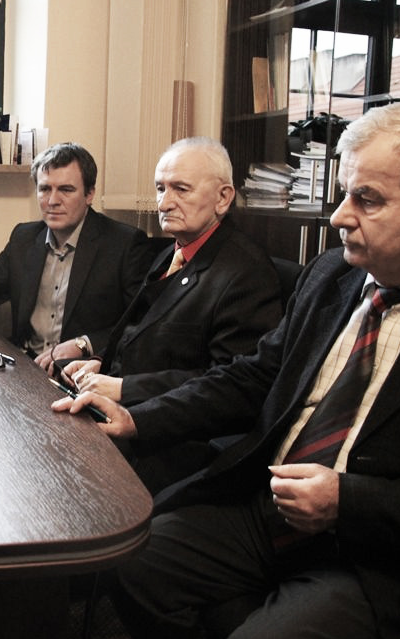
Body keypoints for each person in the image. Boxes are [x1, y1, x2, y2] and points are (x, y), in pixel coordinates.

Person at [54, 98, 400, 639]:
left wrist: (350, 501)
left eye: (367, 199)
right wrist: (139, 418)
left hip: (373, 550)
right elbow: (253, 377)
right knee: (133, 560)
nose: (338, 217)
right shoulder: (333, 275)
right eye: (343, 194)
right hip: (266, 505)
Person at [59, 137, 283, 493]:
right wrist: (100, 362)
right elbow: (142, 330)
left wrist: (124, 388)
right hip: (128, 410)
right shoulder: (173, 252)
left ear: (223, 198)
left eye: (181, 189)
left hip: (177, 441)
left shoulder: (246, 272)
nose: (163, 203)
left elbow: (231, 385)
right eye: (160, 188)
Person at [0, 142, 153, 370]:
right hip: (24, 367)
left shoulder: (124, 244)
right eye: (45, 189)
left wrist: (85, 344)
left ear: (89, 194)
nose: (52, 201)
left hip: (80, 373)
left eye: (66, 190)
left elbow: (143, 325)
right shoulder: (24, 238)